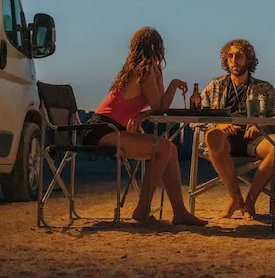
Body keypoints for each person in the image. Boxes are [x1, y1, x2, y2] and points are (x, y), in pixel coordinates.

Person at [85, 27, 206, 226]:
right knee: (164, 147)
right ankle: (142, 210)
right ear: (157, 47)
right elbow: (160, 106)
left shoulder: (145, 68)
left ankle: (180, 212)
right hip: (103, 130)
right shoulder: (146, 69)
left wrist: (145, 112)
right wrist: (172, 85)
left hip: (110, 129)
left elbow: (159, 107)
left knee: (170, 149)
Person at [189, 38, 275, 218]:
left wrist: (260, 125)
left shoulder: (264, 88)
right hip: (224, 140)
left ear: (248, 59)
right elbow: (194, 119)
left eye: (239, 55)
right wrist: (218, 125)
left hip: (255, 138)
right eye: (230, 56)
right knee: (213, 136)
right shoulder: (215, 86)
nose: (234, 60)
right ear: (226, 60)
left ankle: (249, 201)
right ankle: (236, 198)